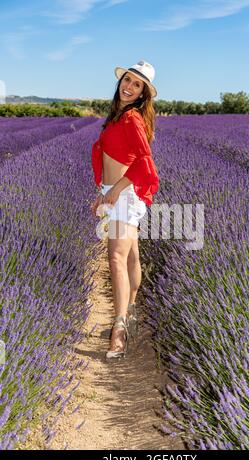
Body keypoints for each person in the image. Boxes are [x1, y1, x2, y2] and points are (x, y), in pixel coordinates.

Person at [90, 60, 159, 360]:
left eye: (136, 84)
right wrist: (102, 193)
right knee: (131, 255)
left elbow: (145, 162)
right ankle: (129, 310)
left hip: (126, 194)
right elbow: (108, 159)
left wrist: (116, 189)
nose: (129, 86)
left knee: (115, 256)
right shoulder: (116, 117)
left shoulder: (132, 119)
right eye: (127, 80)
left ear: (143, 93)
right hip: (114, 193)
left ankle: (118, 328)